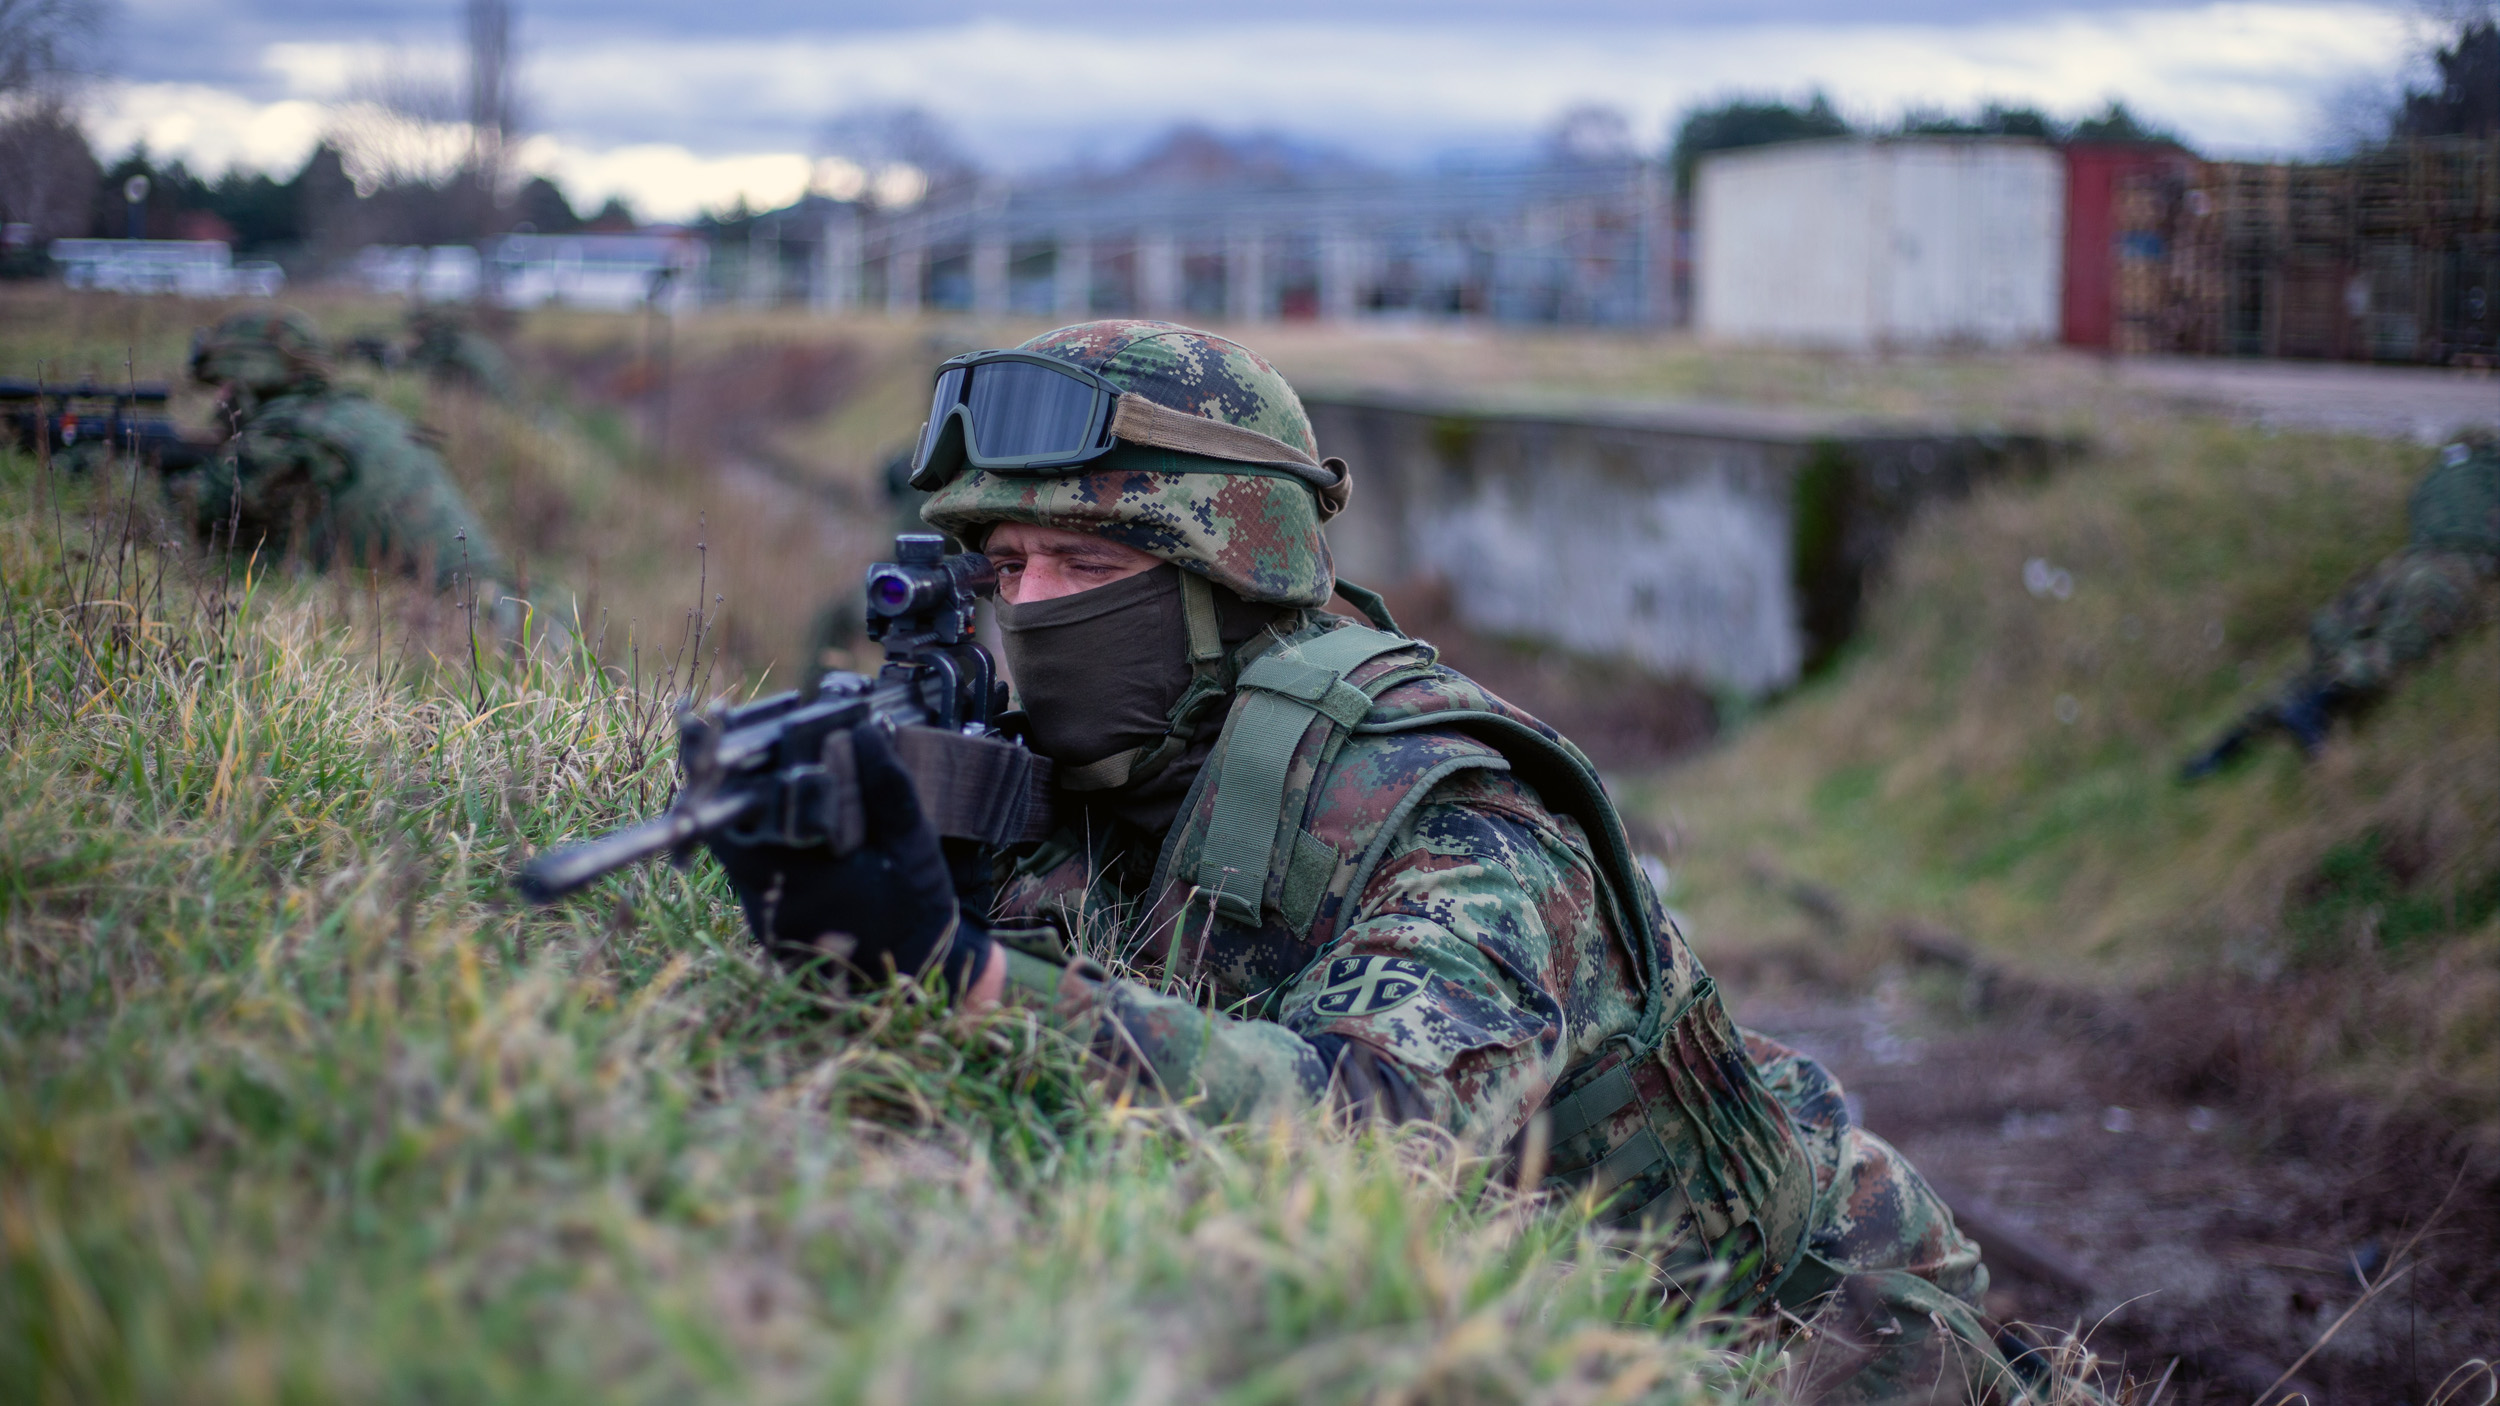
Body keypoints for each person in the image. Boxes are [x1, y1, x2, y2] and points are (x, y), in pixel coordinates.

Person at [711, 320, 2053, 1402]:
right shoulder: (1109, 761)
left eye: (1081, 558)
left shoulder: (1452, 813)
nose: (1030, 607)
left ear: (1228, 571)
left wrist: (964, 977)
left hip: (1800, 1342)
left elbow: (1372, 1138)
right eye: (1006, 567)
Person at [2183, 434, 2499, 780]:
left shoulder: (2438, 474)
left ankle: (2230, 744)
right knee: (2398, 647)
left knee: (2333, 643)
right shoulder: (2491, 469)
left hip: (2404, 565)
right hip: (2453, 570)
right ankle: (2316, 702)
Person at [181, 308, 508, 594]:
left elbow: (197, 508)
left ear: (251, 379)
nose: (220, 399)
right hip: (488, 599)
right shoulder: (353, 414)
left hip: (449, 615)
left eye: (224, 386)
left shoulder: (287, 430)